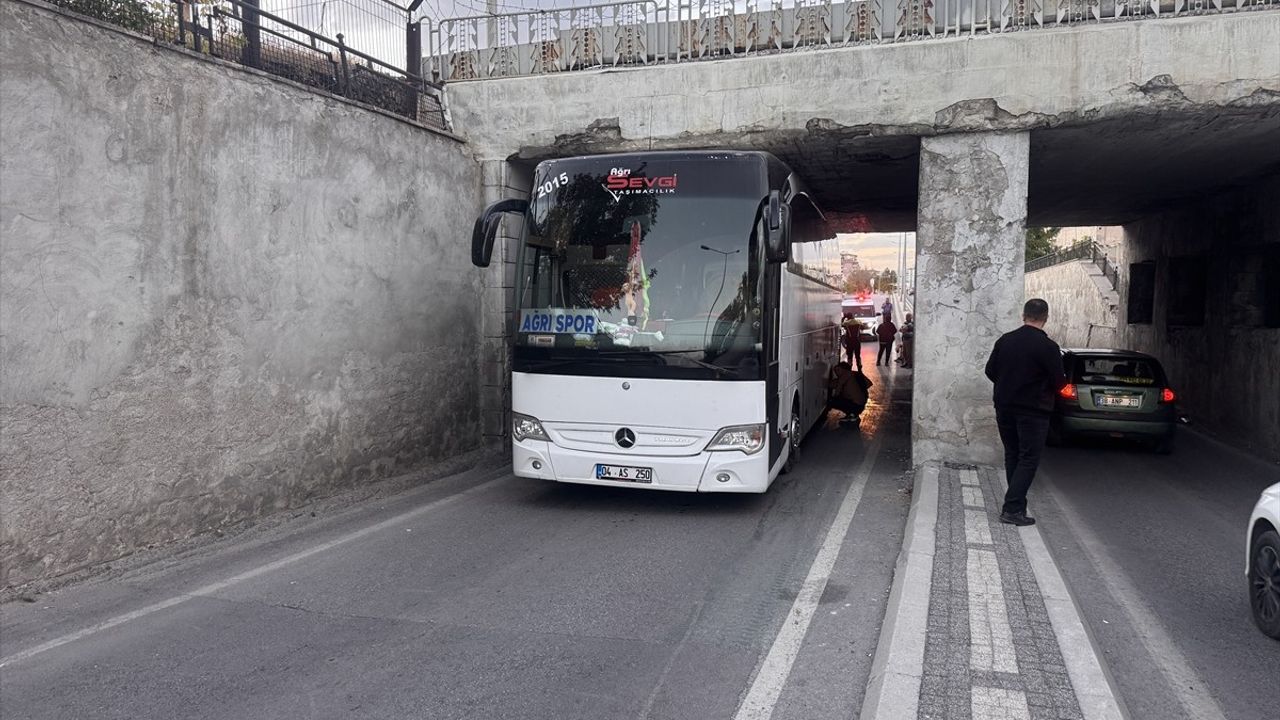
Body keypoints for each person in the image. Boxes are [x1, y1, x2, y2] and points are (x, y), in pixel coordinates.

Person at [983, 298, 1068, 527]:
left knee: (1012, 454)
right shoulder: (1049, 348)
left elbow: (990, 371)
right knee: (1028, 458)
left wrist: (1007, 385)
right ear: (1046, 318)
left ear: (1023, 315)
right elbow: (1059, 382)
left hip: (1005, 406)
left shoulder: (1005, 341)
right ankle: (1012, 508)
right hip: (1034, 411)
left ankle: (1017, 505)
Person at [825, 362, 871, 428]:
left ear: (844, 369)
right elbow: (869, 383)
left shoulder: (845, 375)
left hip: (854, 404)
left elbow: (837, 390)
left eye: (838, 370)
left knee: (833, 401)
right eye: (835, 370)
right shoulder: (856, 374)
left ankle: (852, 414)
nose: (836, 372)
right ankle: (853, 413)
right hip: (861, 404)